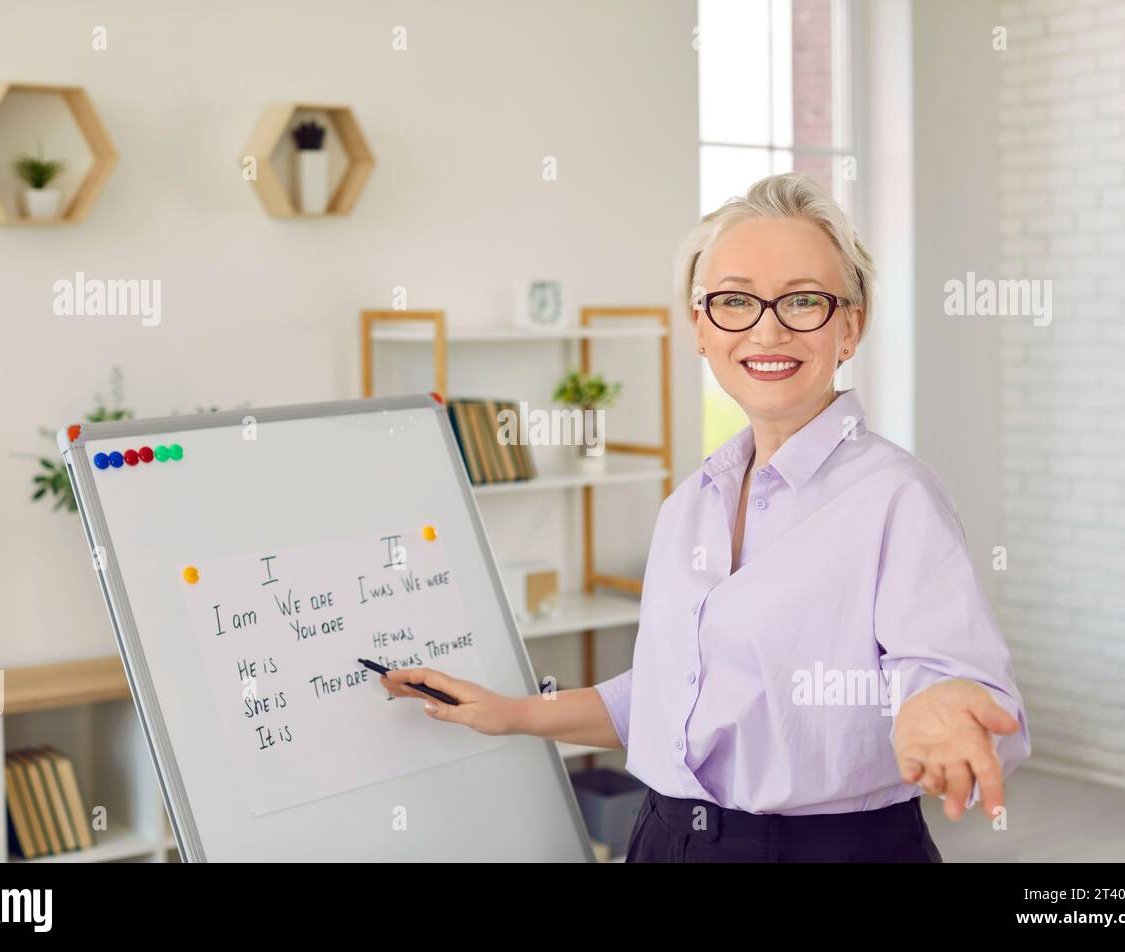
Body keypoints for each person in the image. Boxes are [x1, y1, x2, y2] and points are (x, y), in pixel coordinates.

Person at [383, 172, 1030, 862]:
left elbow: (954, 683)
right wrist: (513, 713)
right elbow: (669, 697)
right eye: (734, 301)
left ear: (851, 325)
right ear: (699, 327)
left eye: (804, 300)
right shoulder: (692, 503)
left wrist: (946, 711)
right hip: (665, 839)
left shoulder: (897, 498)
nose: (767, 327)